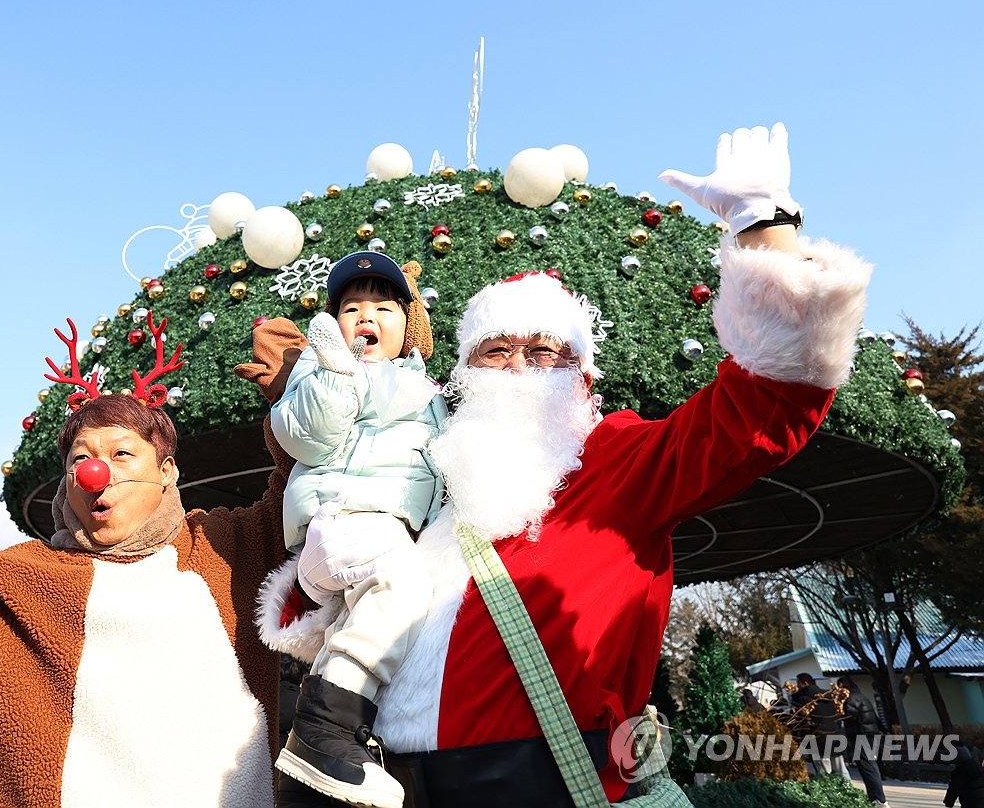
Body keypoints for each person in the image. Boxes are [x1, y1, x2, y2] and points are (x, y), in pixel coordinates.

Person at [256, 123, 873, 807]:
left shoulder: (615, 457)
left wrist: (766, 229)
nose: (519, 365)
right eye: (496, 350)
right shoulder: (432, 479)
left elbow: (762, 409)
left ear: (582, 374)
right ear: (463, 371)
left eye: (545, 351)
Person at [0, 311, 300, 808]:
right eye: (81, 458)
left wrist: (302, 405)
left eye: (122, 454)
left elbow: (314, 500)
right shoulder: (12, 585)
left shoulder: (231, 546)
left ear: (166, 472)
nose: (96, 472)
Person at [271, 252, 445, 808]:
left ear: (407, 323)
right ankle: (324, 727)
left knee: (399, 619)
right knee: (402, 586)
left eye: (382, 307)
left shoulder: (425, 388)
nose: (366, 316)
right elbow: (306, 436)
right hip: (344, 516)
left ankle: (332, 750)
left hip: (384, 528)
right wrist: (335, 371)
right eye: (351, 307)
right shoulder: (321, 370)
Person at [836, 676, 890, 807]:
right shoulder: (862, 696)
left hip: (860, 735)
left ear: (844, 685)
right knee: (871, 765)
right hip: (870, 734)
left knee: (868, 767)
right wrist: (884, 730)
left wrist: (839, 709)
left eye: (839, 686)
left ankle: (879, 799)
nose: (837, 690)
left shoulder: (850, 699)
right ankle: (875, 798)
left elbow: (849, 715)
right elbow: (874, 716)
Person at [791, 673, 850, 779]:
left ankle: (830, 793)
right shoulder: (828, 696)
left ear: (805, 683)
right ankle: (849, 790)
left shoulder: (803, 699)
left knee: (824, 772)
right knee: (841, 769)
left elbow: (800, 722)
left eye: (798, 683)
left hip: (818, 738)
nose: (797, 686)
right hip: (835, 736)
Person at [945, 739, 984, 808]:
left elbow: (955, 786)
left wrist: (949, 801)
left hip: (970, 801)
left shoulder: (961, 769)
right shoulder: (974, 764)